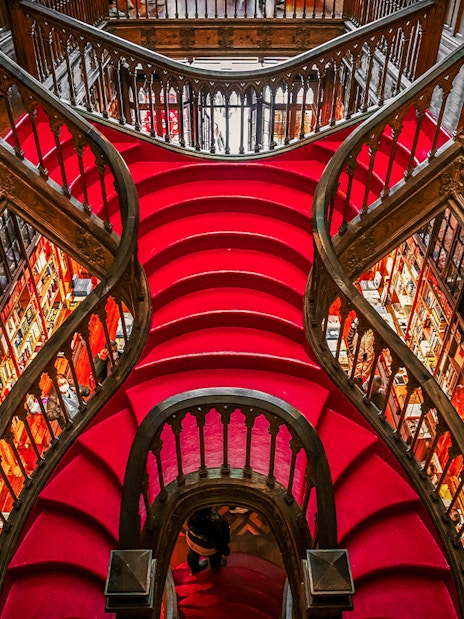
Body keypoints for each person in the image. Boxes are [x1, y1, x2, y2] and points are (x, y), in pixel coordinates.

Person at [186, 507, 230, 575]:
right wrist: (226, 551)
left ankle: (194, 570)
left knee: (192, 556)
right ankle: (214, 570)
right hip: (207, 549)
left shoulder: (192, 519)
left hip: (192, 542)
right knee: (216, 557)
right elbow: (220, 544)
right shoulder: (212, 528)